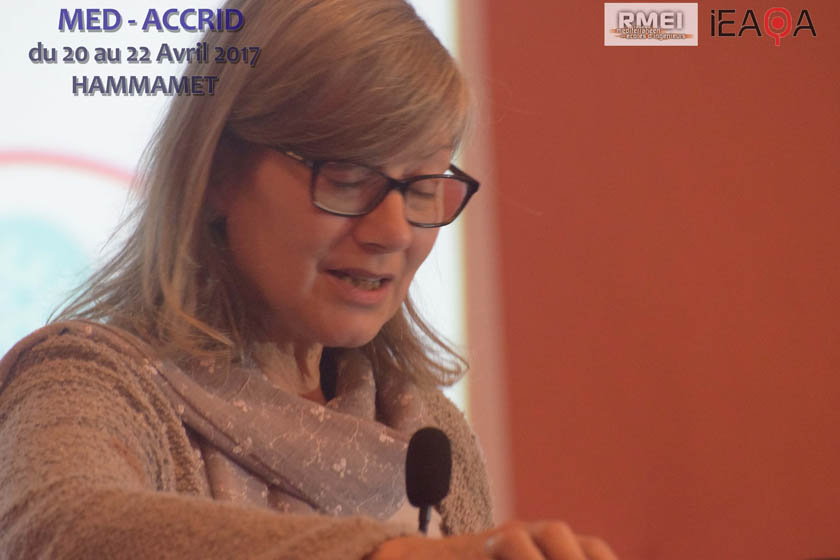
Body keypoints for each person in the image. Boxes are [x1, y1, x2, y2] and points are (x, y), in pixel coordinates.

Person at [0, 1, 617, 558]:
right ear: (217, 171)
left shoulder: (426, 426)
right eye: (347, 178)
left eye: (422, 188)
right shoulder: (92, 379)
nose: (393, 231)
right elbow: (57, 529)